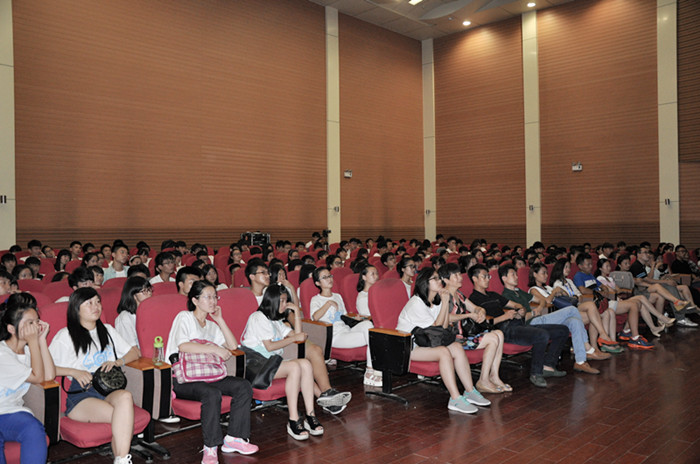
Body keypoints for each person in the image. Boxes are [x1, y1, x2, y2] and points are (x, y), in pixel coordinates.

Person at [166, 281, 258, 461]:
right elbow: (183, 346)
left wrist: (220, 320)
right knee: (211, 393)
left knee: (243, 386)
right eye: (208, 297)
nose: (213, 301)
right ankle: (210, 447)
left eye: (215, 297)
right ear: (195, 300)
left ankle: (234, 438)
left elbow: (232, 346)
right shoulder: (184, 317)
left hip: (209, 375)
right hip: (184, 379)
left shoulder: (212, 326)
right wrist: (214, 349)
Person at [49, 287, 140, 464]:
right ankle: (122, 459)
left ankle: (121, 459)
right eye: (89, 303)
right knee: (122, 418)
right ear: (76, 308)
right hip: (83, 394)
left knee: (126, 397)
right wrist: (73, 371)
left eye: (97, 302)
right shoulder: (66, 336)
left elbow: (134, 353)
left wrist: (117, 362)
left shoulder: (107, 330)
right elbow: (46, 369)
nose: (96, 306)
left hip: (109, 388)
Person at [396, 268, 490, 413]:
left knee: (457, 347)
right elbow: (436, 327)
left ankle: (470, 391)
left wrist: (444, 303)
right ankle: (455, 398)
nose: (439, 281)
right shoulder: (416, 303)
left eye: (439, 278)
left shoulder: (436, 299)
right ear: (425, 283)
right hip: (408, 346)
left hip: (428, 341)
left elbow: (443, 327)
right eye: (435, 279)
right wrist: (445, 303)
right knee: (443, 352)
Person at [241, 284, 325, 441]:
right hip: (257, 368)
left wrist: (296, 312)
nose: (285, 304)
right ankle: (293, 419)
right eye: (282, 301)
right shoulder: (258, 317)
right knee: (295, 366)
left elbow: (299, 337)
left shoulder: (276, 321)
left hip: (271, 364)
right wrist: (293, 338)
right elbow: (270, 346)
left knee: (305, 364)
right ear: (272, 300)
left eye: (286, 300)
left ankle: (310, 415)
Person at [468, 264, 569, 388]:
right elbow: (484, 324)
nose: (488, 279)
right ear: (474, 279)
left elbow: (515, 304)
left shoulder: (493, 295)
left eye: (488, 276)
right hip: (501, 331)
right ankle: (536, 373)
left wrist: (520, 310)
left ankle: (548, 366)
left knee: (562, 330)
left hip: (516, 324)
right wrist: (505, 317)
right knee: (541, 335)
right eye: (484, 276)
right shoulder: (473, 300)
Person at [0, 293, 56, 463]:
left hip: (10, 413)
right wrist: (33, 342)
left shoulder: (28, 350)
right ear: (11, 329)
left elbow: (49, 375)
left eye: (37, 322)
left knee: (33, 429)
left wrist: (41, 341)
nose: (36, 327)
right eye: (30, 323)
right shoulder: (3, 353)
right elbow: (37, 377)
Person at [437, 263, 509, 393]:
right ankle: (483, 380)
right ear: (446, 279)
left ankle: (494, 376)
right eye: (455, 275)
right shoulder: (443, 296)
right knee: (493, 338)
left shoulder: (459, 295)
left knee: (499, 333)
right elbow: (445, 318)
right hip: (453, 339)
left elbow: (475, 308)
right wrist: (468, 315)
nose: (460, 278)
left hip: (464, 336)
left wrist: (480, 312)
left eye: (459, 274)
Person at [310, 267, 380, 387]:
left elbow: (344, 316)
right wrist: (328, 304)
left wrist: (356, 318)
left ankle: (370, 369)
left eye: (330, 276)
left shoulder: (338, 296)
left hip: (346, 330)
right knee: (372, 337)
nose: (329, 279)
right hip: (335, 336)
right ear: (317, 283)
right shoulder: (316, 299)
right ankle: (372, 371)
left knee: (368, 326)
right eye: (325, 277)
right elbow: (314, 318)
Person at [596, 258, 675, 337]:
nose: (609, 268)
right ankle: (661, 318)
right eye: (606, 266)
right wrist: (617, 291)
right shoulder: (599, 279)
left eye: (609, 266)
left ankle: (653, 327)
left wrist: (619, 291)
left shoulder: (610, 278)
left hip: (618, 300)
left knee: (641, 301)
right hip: (610, 302)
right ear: (600, 268)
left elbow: (618, 290)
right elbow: (611, 292)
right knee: (639, 300)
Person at [114, 277, 152, 350]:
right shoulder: (125, 318)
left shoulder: (150, 312)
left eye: (149, 289)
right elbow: (131, 350)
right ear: (134, 295)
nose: (149, 293)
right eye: (144, 291)